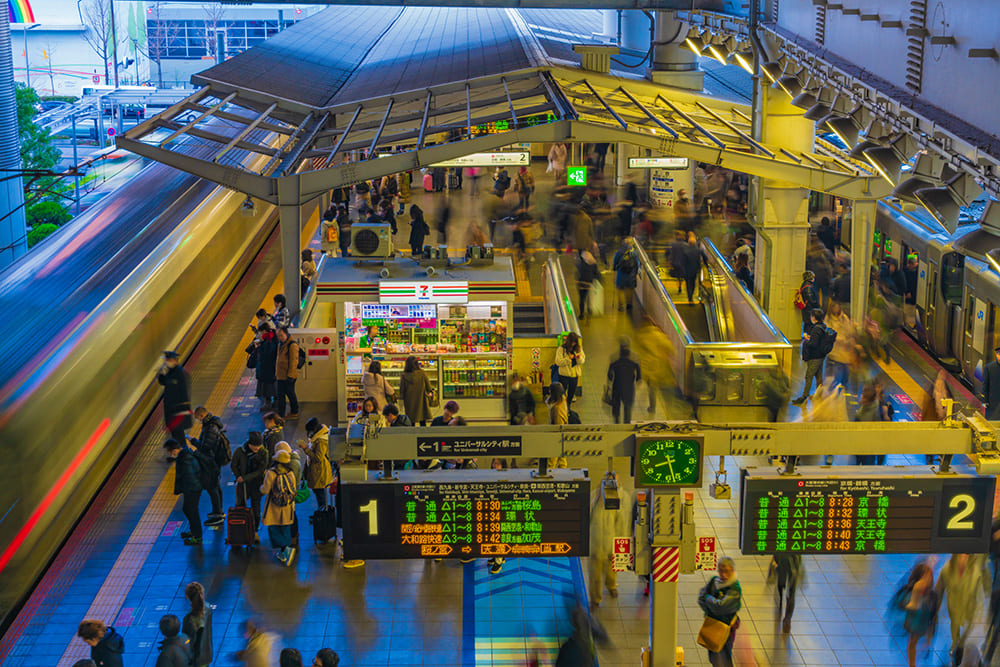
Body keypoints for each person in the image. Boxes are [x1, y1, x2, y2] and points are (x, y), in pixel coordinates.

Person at [935, 554, 990, 655]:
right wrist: (935, 610)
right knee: (955, 626)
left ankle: (960, 645)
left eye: (966, 555)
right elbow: (939, 589)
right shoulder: (947, 568)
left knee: (968, 627)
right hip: (954, 606)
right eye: (961, 554)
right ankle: (956, 645)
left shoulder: (977, 569)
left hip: (970, 607)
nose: (963, 557)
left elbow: (987, 587)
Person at [589, 473, 628, 606]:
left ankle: (611, 586)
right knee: (595, 573)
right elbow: (586, 516)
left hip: (611, 541)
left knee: (612, 569)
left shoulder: (620, 497)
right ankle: (595, 598)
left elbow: (622, 523)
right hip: (595, 542)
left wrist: (621, 544)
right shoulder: (594, 496)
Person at [892, 562, 938, 667]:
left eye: (929, 577)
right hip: (913, 623)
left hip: (923, 623)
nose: (927, 579)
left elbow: (934, 613)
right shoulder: (910, 590)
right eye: (924, 577)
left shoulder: (932, 595)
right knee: (913, 641)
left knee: (918, 642)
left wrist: (931, 629)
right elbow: (901, 603)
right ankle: (912, 664)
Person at [698, 557, 742, 667]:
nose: (723, 575)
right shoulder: (714, 581)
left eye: (726, 571)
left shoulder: (734, 588)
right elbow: (701, 599)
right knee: (714, 656)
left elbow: (720, 607)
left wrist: (709, 599)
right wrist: (713, 604)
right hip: (712, 624)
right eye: (721, 571)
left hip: (725, 628)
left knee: (723, 658)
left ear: (732, 571)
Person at [191, 406, 227, 526]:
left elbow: (206, 447)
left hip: (211, 461)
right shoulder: (211, 424)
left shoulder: (211, 428)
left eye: (197, 418)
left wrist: (193, 441)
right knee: (215, 486)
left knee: (212, 488)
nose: (197, 420)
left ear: (202, 416)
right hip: (213, 460)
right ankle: (218, 511)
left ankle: (218, 514)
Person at [164, 439, 204, 545]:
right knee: (187, 509)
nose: (169, 454)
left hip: (193, 489)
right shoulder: (184, 455)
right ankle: (194, 531)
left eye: (169, 452)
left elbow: (189, 477)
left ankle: (197, 536)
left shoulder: (185, 458)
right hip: (192, 488)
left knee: (191, 511)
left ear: (174, 450)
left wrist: (185, 489)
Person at [261, 449, 297, 564]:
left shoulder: (271, 473)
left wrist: (260, 488)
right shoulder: (290, 473)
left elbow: (265, 490)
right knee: (285, 527)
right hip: (287, 505)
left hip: (273, 506)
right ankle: (285, 550)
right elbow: (294, 490)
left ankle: (284, 549)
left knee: (273, 527)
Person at [231, 431, 269, 535]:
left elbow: (261, 471)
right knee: (240, 505)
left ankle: (255, 529)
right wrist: (238, 475)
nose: (257, 449)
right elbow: (233, 465)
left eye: (259, 446)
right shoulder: (240, 451)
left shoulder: (264, 452)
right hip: (243, 484)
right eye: (255, 447)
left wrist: (244, 477)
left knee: (256, 507)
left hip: (257, 483)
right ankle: (240, 527)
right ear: (249, 444)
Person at [792, 309, 830, 405]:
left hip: (815, 356)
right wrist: (810, 338)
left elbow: (813, 344)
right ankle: (819, 395)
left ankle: (804, 397)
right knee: (818, 376)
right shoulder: (823, 326)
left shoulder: (816, 328)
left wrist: (806, 340)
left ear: (814, 317)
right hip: (821, 356)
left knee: (809, 376)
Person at [158, 350, 193, 451]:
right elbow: (166, 382)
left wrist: (182, 412)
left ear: (175, 361)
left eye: (169, 360)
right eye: (166, 360)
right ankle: (180, 453)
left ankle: (182, 453)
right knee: (177, 434)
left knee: (178, 435)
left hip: (178, 412)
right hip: (173, 410)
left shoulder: (180, 373)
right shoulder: (172, 371)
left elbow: (183, 394)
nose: (167, 362)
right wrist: (161, 375)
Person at [825, 301, 858, 392]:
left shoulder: (844, 318)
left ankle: (842, 384)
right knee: (835, 371)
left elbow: (849, 331)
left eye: (838, 307)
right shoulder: (828, 319)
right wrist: (841, 339)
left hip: (843, 351)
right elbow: (828, 332)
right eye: (834, 307)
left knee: (844, 369)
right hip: (833, 350)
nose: (836, 309)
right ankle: (833, 387)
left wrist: (852, 326)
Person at [607, 338, 640, 424]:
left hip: (617, 387)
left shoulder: (614, 359)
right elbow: (639, 376)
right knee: (628, 408)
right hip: (629, 388)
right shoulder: (634, 360)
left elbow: (610, 376)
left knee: (616, 407)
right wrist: (636, 380)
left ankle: (617, 423)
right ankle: (626, 424)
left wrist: (609, 383)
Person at [769, 554, 803, 634]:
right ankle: (787, 618)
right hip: (794, 560)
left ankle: (780, 604)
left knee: (781, 584)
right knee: (791, 592)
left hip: (783, 558)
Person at [302, 417, 332, 508]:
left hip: (320, 471)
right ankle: (321, 513)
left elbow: (318, 457)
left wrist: (305, 449)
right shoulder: (319, 437)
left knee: (320, 494)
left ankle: (322, 515)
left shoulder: (321, 441)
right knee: (319, 493)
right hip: (317, 471)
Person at [182, 582, 213, 667]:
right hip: (207, 655)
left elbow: (187, 640)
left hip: (195, 660)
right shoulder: (207, 609)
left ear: (187, 597)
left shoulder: (188, 619)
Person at [252, 322, 278, 411]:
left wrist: (258, 348)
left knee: (268, 387)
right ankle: (274, 403)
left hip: (268, 368)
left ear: (264, 331)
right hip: (269, 368)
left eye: (261, 332)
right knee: (271, 386)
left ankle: (270, 404)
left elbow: (267, 354)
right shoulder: (271, 337)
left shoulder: (269, 340)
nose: (260, 334)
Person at [275, 327, 300, 419]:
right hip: (281, 375)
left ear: (286, 334)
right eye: (278, 336)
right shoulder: (281, 344)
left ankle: (294, 411)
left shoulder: (292, 345)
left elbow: (294, 361)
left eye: (281, 335)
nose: (280, 337)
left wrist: (290, 376)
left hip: (288, 375)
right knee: (280, 395)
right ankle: (281, 414)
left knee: (290, 393)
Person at [400, 356, 432, 425]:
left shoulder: (404, 375)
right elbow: (429, 387)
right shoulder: (422, 374)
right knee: (423, 422)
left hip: (409, 402)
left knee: (411, 422)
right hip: (421, 401)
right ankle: (423, 435)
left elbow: (402, 391)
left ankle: (412, 435)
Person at [555, 332, 585, 408]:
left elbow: (582, 361)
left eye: (575, 342)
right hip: (564, 375)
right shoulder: (561, 349)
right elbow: (558, 362)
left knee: (571, 394)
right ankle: (562, 408)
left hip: (575, 375)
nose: (573, 344)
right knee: (562, 394)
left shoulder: (578, 349)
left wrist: (579, 358)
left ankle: (568, 407)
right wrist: (569, 358)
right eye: (572, 342)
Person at [612, 237, 639, 312]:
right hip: (631, 274)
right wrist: (636, 272)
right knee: (630, 289)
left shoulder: (620, 251)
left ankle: (621, 306)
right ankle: (629, 305)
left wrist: (615, 273)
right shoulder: (634, 252)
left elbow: (615, 263)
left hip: (621, 273)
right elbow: (637, 263)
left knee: (620, 289)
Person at [576, 248, 601, 321]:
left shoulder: (581, 263)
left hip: (581, 282)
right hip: (589, 282)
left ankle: (581, 314)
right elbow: (596, 273)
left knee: (581, 298)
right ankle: (589, 309)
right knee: (588, 296)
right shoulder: (593, 263)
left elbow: (578, 271)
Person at [681, 232, 702, 302]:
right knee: (693, 283)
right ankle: (692, 294)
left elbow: (683, 261)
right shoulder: (698, 250)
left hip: (686, 269)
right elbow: (703, 258)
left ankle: (689, 295)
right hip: (695, 269)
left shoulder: (685, 251)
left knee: (687, 283)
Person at [982, 346, 1000, 420]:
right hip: (993, 401)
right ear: (996, 355)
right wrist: (985, 400)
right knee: (992, 421)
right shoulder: (989, 367)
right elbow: (985, 385)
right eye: (999, 354)